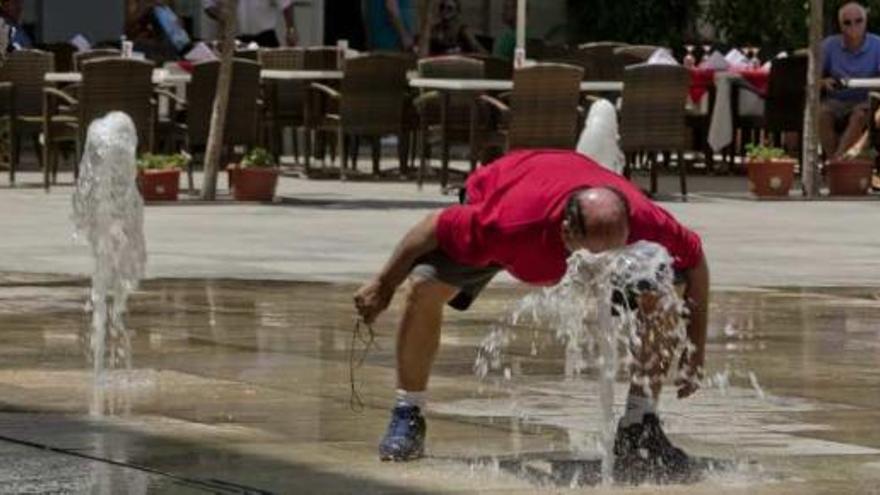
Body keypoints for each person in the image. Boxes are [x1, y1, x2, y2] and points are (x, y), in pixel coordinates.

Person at [354, 150, 709, 482]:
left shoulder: (646, 219)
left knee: (664, 290)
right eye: (595, 257)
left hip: (560, 177)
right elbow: (433, 227)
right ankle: (407, 413)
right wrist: (383, 284)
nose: (605, 268)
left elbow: (696, 263)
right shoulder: (509, 227)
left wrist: (695, 353)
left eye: (613, 254)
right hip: (505, 188)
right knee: (423, 288)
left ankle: (639, 425)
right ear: (566, 233)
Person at [820, 2, 880, 159]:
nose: (854, 25)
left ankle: (835, 163)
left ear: (866, 21)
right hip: (836, 100)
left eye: (858, 20)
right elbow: (813, 78)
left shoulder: (877, 45)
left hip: (865, 99)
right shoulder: (829, 46)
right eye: (847, 22)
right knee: (821, 114)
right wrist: (824, 82)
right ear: (840, 26)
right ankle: (837, 165)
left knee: (860, 115)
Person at [203, 0, 297, 48]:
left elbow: (286, 4)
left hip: (265, 38)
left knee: (271, 76)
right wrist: (223, 16)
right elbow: (208, 6)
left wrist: (291, 29)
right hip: (236, 40)